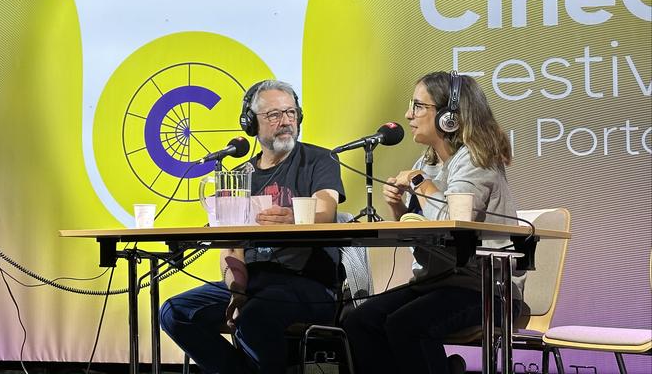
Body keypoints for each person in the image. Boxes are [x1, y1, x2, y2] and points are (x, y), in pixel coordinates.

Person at [159, 80, 347, 373]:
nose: (286, 122)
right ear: (251, 124)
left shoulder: (320, 159)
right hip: (254, 282)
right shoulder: (238, 176)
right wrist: (237, 288)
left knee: (255, 317)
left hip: (309, 285)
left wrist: (295, 218)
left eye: (291, 113)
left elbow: (326, 209)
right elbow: (231, 248)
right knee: (175, 312)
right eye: (274, 115)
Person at [342, 71, 521, 373]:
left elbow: (455, 222)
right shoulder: (427, 162)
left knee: (407, 325)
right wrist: (398, 207)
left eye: (418, 106)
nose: (407, 114)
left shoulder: (477, 159)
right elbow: (422, 234)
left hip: (485, 291)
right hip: (434, 284)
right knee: (359, 320)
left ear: (449, 116)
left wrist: (420, 184)